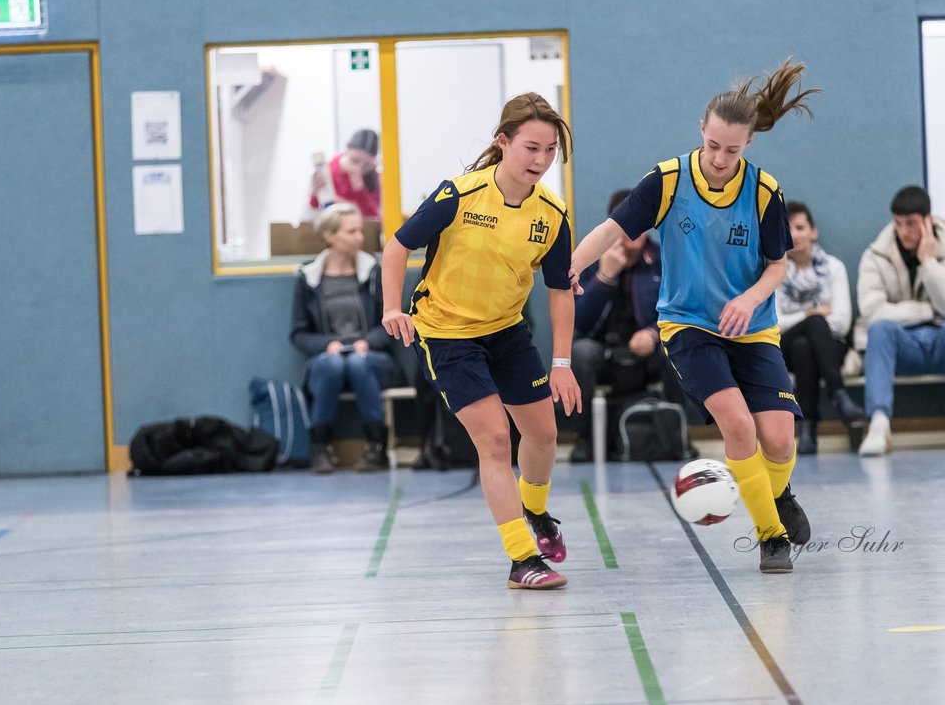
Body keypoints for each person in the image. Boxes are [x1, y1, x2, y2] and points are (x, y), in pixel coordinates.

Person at [571, 59, 819, 574]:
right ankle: (771, 535)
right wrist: (569, 267)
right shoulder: (667, 180)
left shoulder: (763, 191)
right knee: (736, 423)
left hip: (751, 328)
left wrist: (749, 299)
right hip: (688, 325)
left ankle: (779, 493)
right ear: (701, 130)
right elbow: (611, 230)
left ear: (748, 144)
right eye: (714, 146)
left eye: (733, 149)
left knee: (778, 438)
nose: (721, 158)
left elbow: (777, 267)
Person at [382, 92, 581, 589]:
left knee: (542, 436)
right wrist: (390, 308)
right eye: (531, 148)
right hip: (447, 333)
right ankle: (522, 560)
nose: (540, 160)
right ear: (503, 142)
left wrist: (562, 361)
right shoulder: (459, 195)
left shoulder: (552, 215)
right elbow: (396, 246)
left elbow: (560, 291)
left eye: (550, 150)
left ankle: (534, 513)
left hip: (507, 330)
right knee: (495, 440)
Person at [855, 186, 945, 456]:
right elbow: (873, 311)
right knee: (879, 329)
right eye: (898, 223)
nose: (904, 232)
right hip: (901, 346)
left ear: (928, 221)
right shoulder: (876, 255)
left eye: (912, 224)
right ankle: (879, 424)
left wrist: (929, 263)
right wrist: (928, 311)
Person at [565, 187, 685, 462]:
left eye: (639, 227)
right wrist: (605, 278)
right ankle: (585, 440)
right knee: (580, 353)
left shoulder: (661, 259)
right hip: (604, 349)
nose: (632, 235)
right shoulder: (590, 259)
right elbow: (579, 323)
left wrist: (653, 334)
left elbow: (679, 311)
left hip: (648, 349)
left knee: (677, 349)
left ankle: (678, 434)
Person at [291, 203, 398, 472]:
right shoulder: (307, 278)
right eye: (351, 232)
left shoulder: (374, 271)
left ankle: (377, 448)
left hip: (371, 357)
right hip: (329, 358)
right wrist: (328, 345)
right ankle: (320, 447)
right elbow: (299, 333)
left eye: (361, 231)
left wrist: (368, 342)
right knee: (333, 363)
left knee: (358, 363)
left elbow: (391, 322)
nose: (360, 238)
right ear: (330, 236)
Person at [776, 201, 864, 454]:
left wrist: (810, 320)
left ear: (813, 232)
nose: (795, 234)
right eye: (788, 228)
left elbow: (842, 321)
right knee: (813, 325)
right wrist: (811, 314)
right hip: (785, 347)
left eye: (801, 227)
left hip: (829, 345)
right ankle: (839, 397)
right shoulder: (774, 270)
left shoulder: (834, 268)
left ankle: (808, 429)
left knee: (806, 346)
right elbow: (777, 323)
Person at [310, 129, 381, 218]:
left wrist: (360, 191)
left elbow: (372, 218)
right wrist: (315, 192)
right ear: (346, 150)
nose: (359, 169)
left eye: (367, 165)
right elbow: (316, 207)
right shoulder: (329, 170)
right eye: (355, 161)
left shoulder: (375, 178)